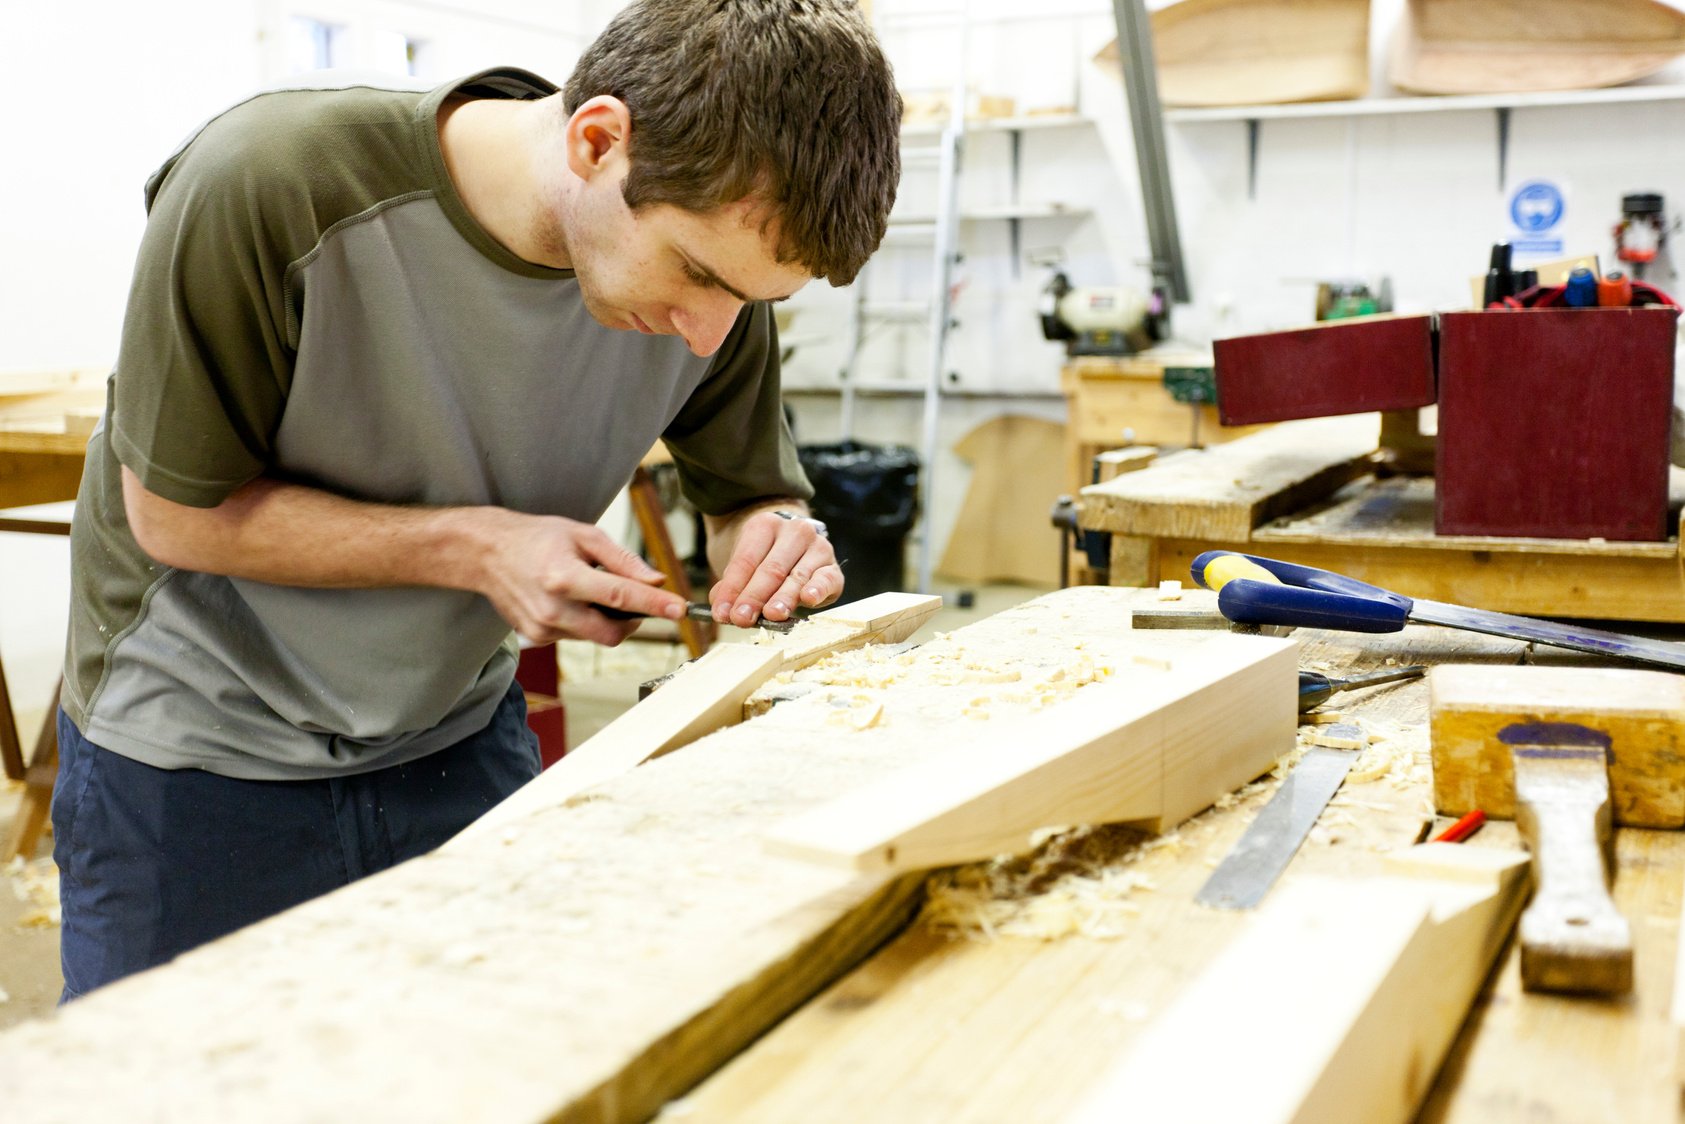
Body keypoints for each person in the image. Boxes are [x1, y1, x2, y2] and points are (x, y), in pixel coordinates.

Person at [52, 0, 901, 1000]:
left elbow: (746, 489)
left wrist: (768, 535)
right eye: (694, 272)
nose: (705, 333)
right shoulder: (271, 180)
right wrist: (479, 548)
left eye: (752, 300)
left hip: (451, 730)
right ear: (597, 140)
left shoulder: (713, 296)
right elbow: (173, 515)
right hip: (197, 748)